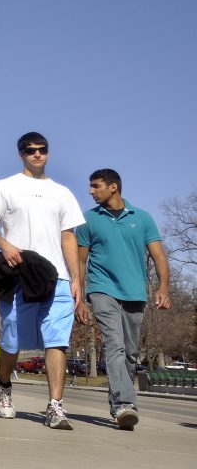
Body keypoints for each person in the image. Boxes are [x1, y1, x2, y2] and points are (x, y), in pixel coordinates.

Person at [0, 132, 85, 430]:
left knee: (57, 341)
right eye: (30, 150)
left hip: (58, 279)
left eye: (42, 149)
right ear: (20, 154)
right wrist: (5, 245)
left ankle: (55, 406)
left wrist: (76, 279)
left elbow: (69, 237)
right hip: (19, 276)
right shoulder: (4, 187)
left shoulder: (63, 192)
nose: (37, 154)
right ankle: (4, 386)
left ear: (48, 153)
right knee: (11, 338)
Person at [75, 168, 171, 431]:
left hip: (135, 293)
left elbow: (159, 256)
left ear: (113, 187)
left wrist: (163, 287)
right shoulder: (88, 220)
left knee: (130, 353)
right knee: (115, 345)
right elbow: (80, 263)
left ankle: (117, 402)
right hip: (102, 290)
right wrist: (80, 299)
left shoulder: (142, 219)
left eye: (96, 186)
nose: (91, 191)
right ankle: (124, 405)